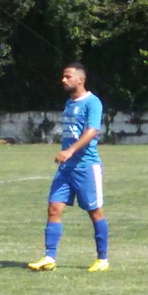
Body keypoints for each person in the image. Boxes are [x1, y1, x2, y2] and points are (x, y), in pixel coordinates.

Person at [28, 62, 110, 272]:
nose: (63, 80)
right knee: (54, 208)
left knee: (95, 211)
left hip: (86, 166)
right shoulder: (69, 103)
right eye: (63, 77)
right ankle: (49, 257)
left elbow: (92, 130)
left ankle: (102, 259)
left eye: (68, 77)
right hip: (66, 168)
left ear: (80, 80)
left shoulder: (92, 102)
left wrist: (70, 150)